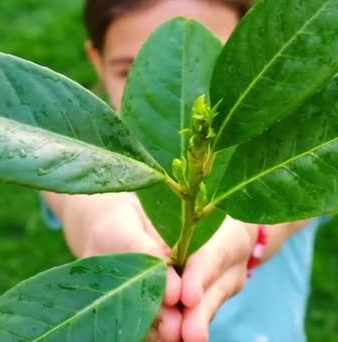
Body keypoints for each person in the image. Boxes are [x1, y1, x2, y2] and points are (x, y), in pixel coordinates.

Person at [42, 1, 323, 341]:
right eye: (133, 72)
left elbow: (302, 195)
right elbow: (66, 190)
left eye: (210, 66)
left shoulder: (286, 147)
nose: (178, 97)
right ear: (96, 60)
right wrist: (101, 222)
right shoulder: (80, 142)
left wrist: (246, 233)